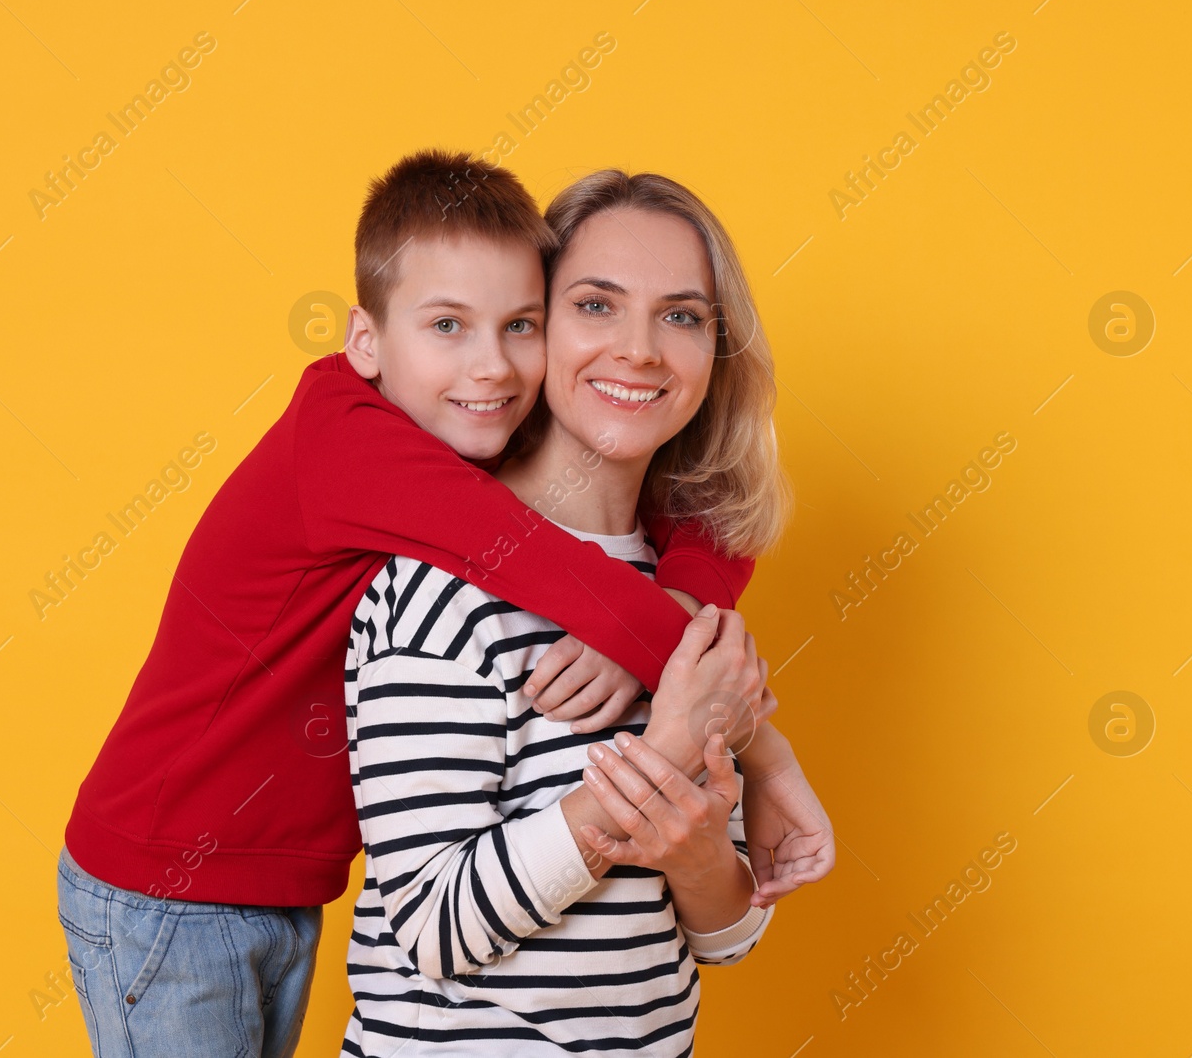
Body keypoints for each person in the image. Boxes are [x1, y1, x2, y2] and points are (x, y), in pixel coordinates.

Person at [55, 151, 783, 1057]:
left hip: (279, 872)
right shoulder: (362, 451)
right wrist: (723, 713)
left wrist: (675, 631)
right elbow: (555, 569)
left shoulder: (471, 441)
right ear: (366, 341)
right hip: (163, 874)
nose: (490, 367)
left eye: (516, 325)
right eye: (448, 324)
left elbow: (717, 510)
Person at [341, 169, 828, 1057]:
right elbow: (438, 931)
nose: (640, 349)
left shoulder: (687, 602)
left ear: (715, 353)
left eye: (682, 315)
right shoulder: (442, 584)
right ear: (532, 326)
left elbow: (722, 938)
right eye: (596, 305)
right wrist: (669, 753)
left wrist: (697, 857)